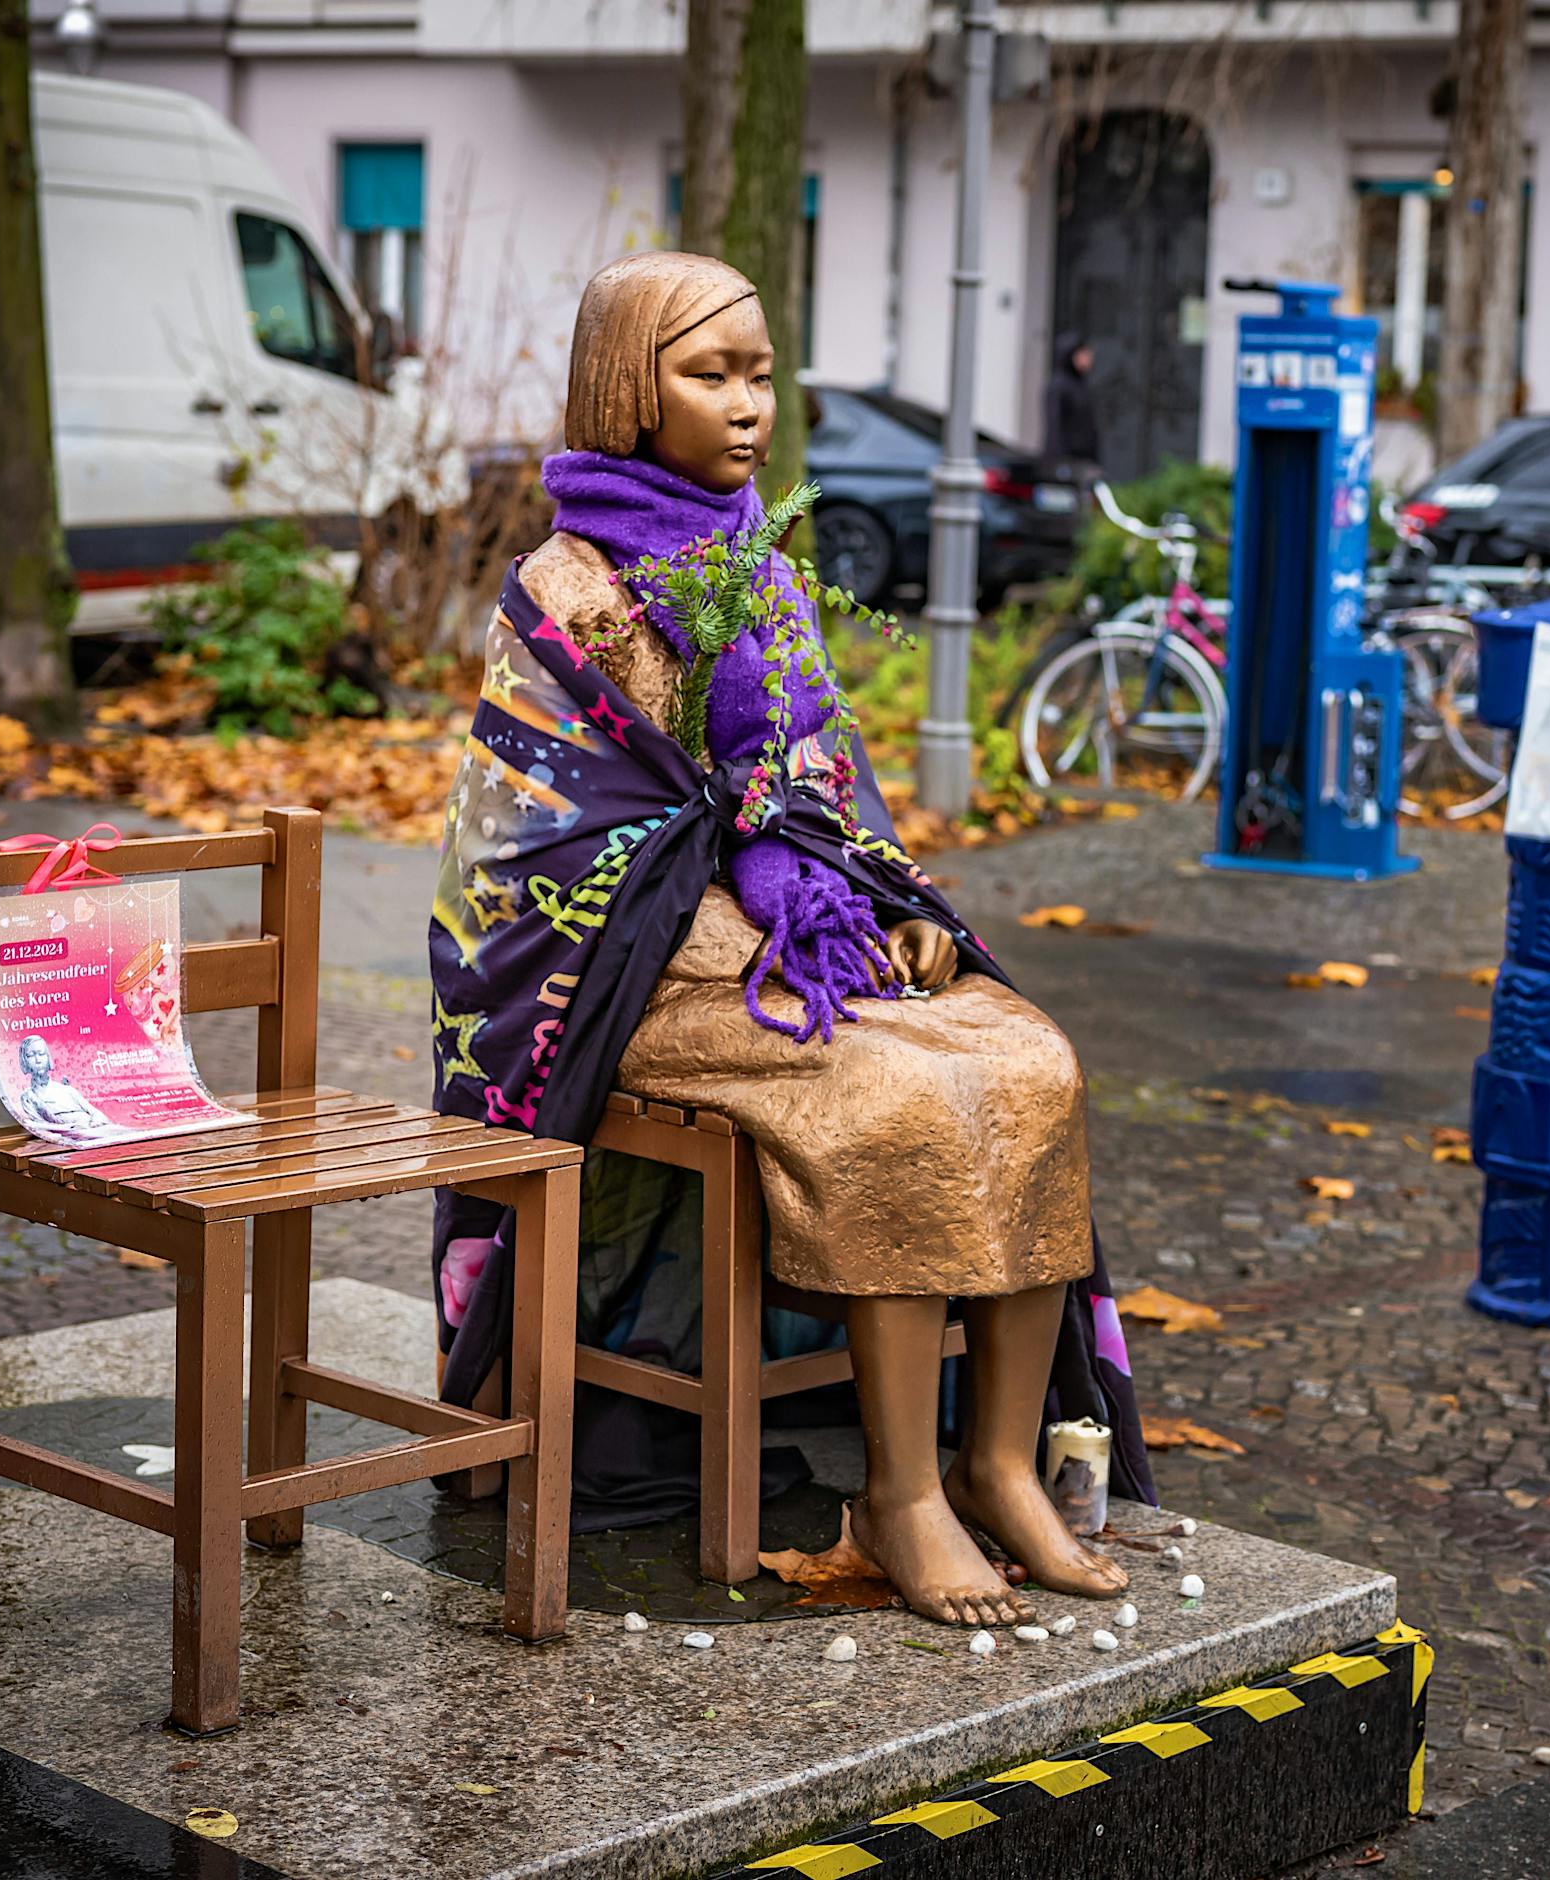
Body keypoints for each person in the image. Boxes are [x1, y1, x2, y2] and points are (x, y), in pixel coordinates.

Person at [429, 253, 1150, 1626]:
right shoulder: (564, 589)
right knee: (883, 1095)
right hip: (626, 972)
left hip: (787, 937)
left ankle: (994, 1465)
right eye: (713, 375)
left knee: (1027, 1057)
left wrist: (881, 900)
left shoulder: (760, 569)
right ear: (630, 390)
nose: (751, 406)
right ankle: (898, 1495)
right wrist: (725, 870)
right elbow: (530, 855)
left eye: (760, 374)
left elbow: (823, 786)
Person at [13, 1033, 114, 1142]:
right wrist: (70, 1128)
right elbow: (40, 1126)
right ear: (24, 1060)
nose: (38, 1060)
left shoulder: (67, 1090)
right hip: (68, 1138)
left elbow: (96, 1113)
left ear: (48, 1056)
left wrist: (91, 1125)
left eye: (41, 1054)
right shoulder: (28, 1097)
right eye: (31, 1055)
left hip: (95, 1131)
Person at [1043, 332, 1101, 472]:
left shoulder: (1082, 385)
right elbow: (1055, 426)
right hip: (1066, 461)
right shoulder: (1059, 385)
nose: (1088, 358)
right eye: (1083, 354)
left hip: (1085, 459)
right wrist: (1060, 463)